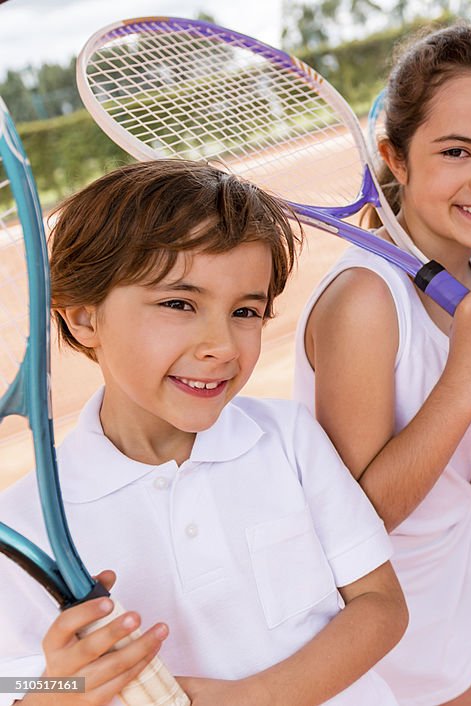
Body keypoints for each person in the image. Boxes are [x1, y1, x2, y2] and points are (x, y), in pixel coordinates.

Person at [0, 160, 407, 706]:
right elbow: (15, 684)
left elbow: (381, 604)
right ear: (83, 318)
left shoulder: (288, 439)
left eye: (245, 311)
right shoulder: (22, 526)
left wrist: (258, 697)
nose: (221, 344)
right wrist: (62, 689)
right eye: (179, 304)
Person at [293, 24, 471, 706]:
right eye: (456, 151)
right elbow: (362, 519)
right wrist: (466, 377)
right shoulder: (366, 301)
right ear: (396, 156)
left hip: (466, 547)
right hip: (382, 590)